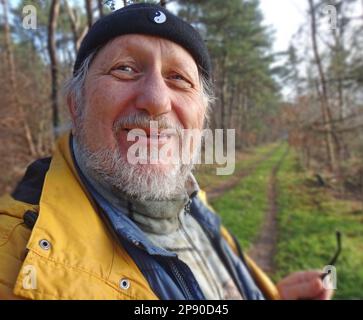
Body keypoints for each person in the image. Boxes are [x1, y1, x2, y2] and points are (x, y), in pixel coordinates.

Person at [0, 3, 332, 300]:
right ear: (76, 105)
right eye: (125, 68)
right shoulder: (11, 258)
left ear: (201, 118)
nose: (157, 101)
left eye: (178, 78)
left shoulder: (188, 202)